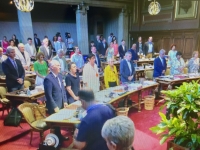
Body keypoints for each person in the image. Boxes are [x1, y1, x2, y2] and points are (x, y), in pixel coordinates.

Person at [43, 60, 68, 142]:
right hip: (54, 105)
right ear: (52, 67)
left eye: (60, 65)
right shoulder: (48, 79)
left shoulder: (60, 76)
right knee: (55, 124)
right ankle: (54, 140)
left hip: (61, 103)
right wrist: (54, 107)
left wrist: (65, 101)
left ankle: (59, 137)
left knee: (58, 123)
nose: (60, 67)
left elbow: (63, 90)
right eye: (58, 65)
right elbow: (48, 96)